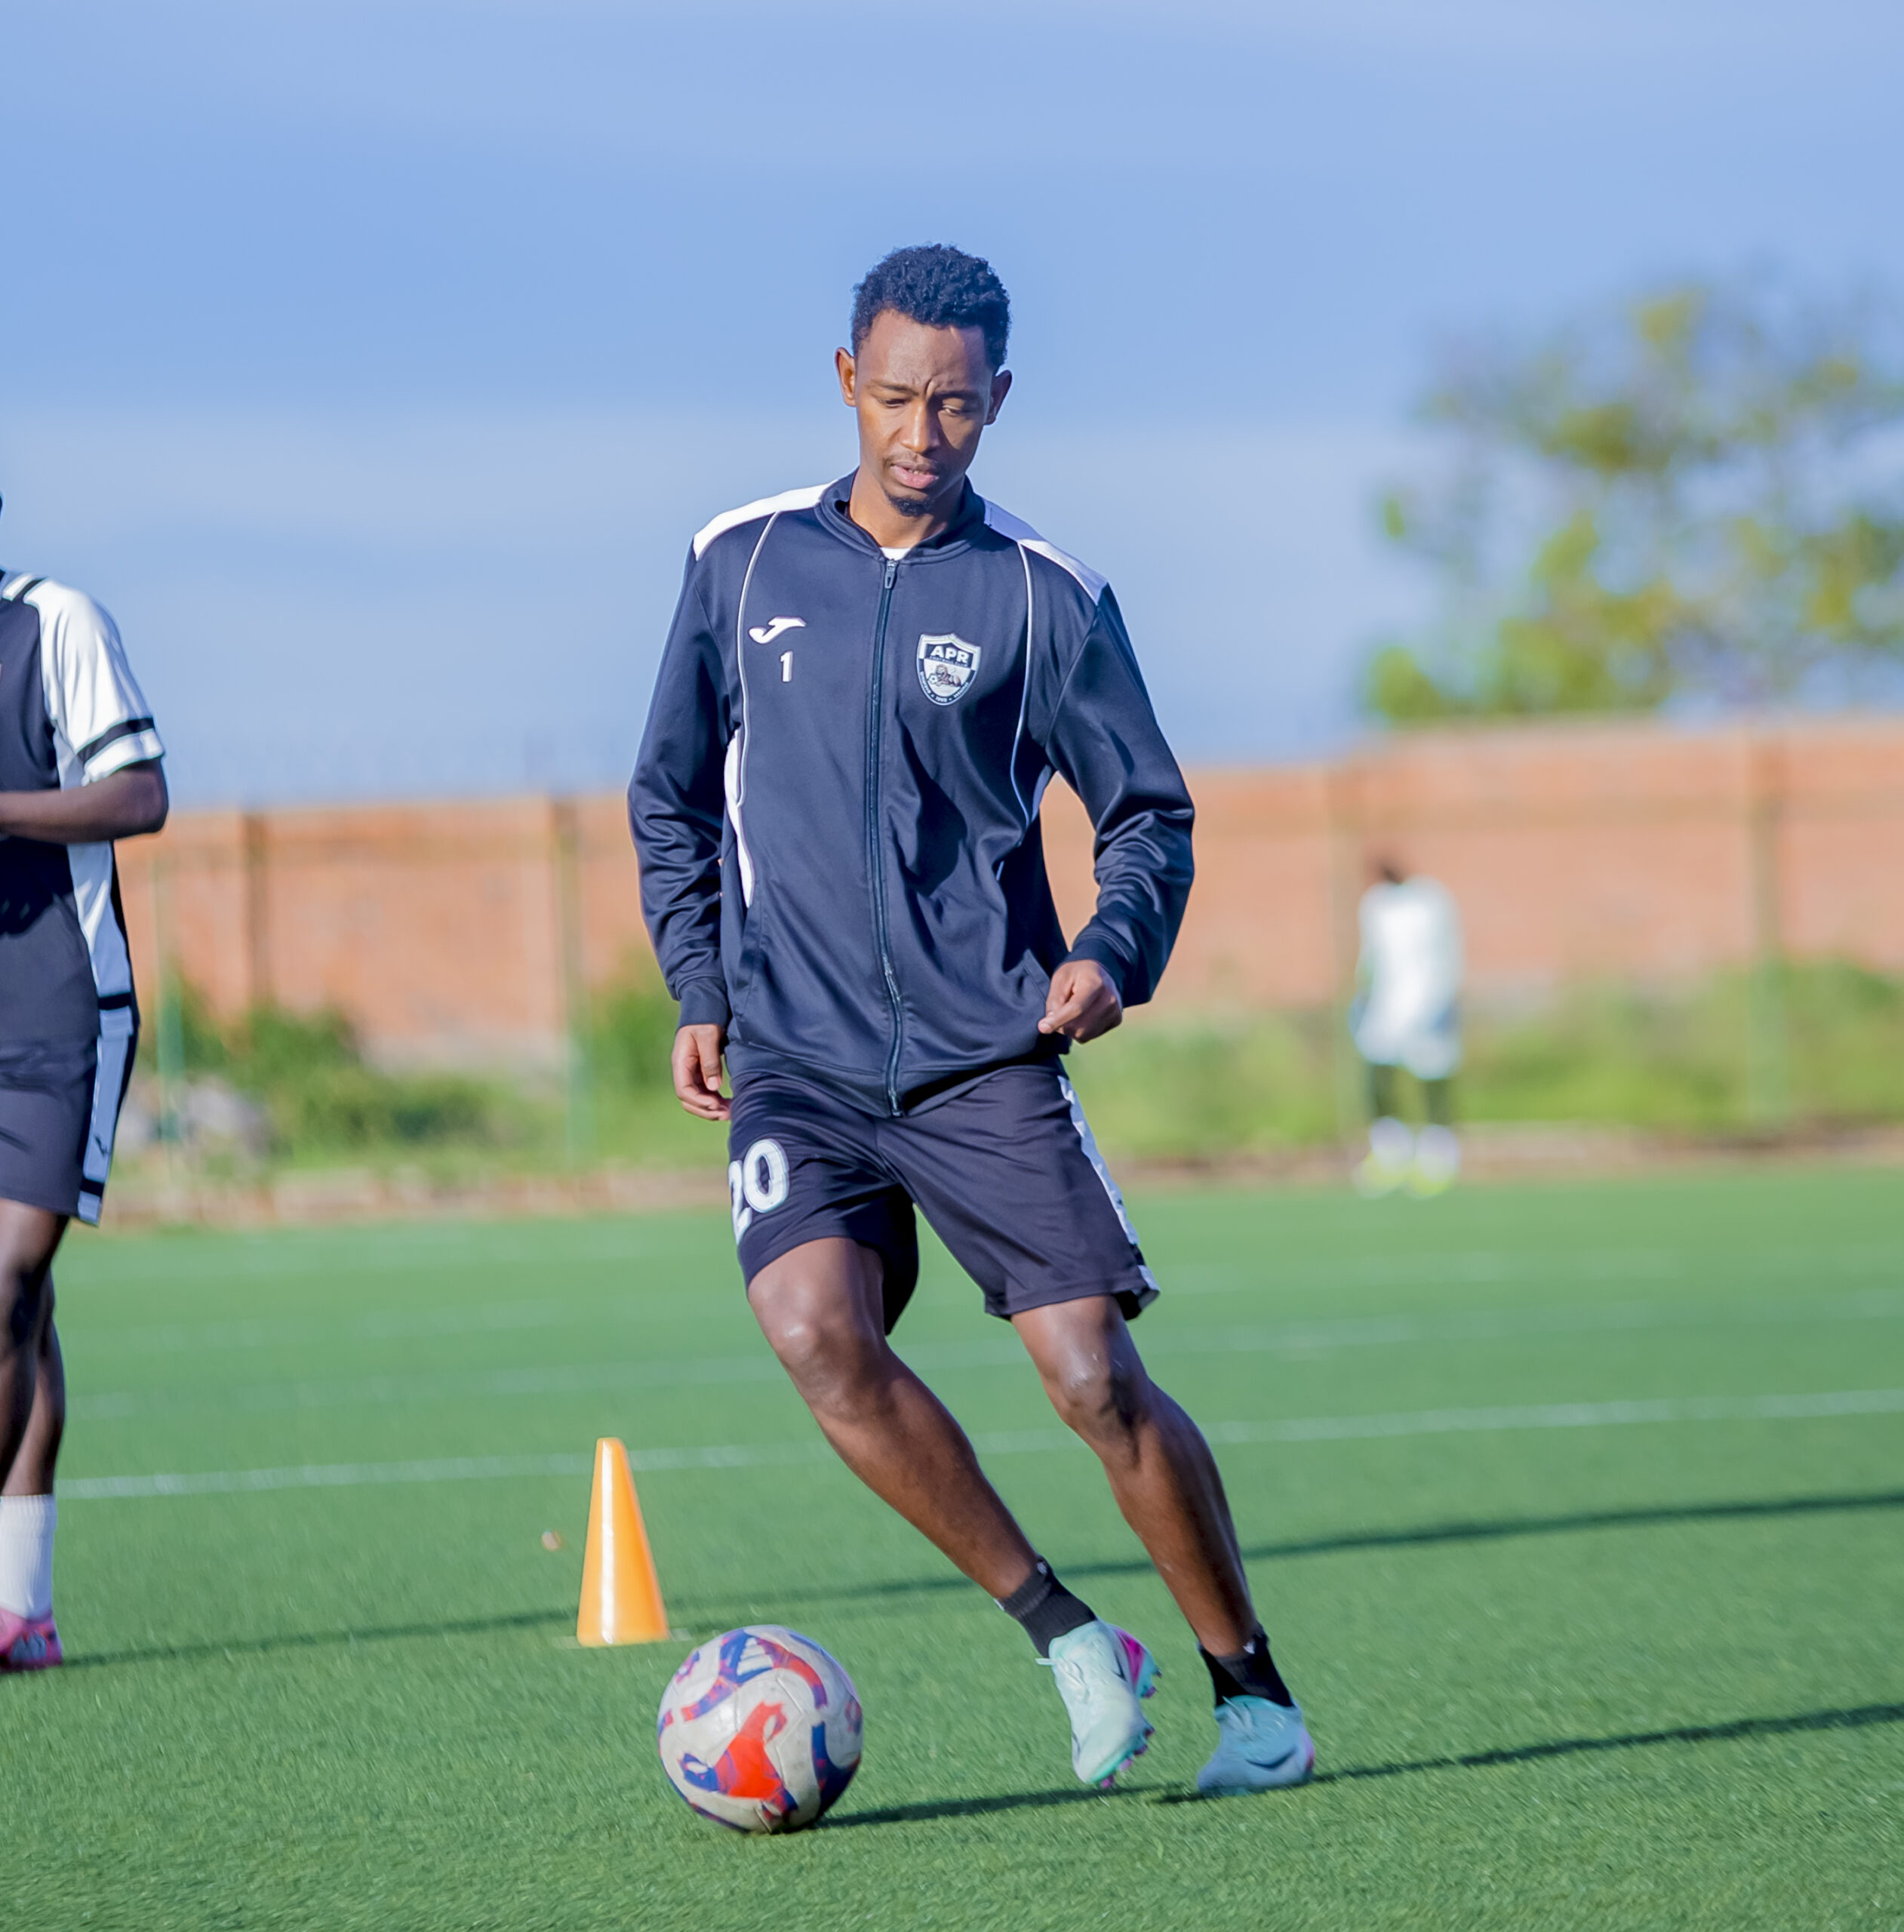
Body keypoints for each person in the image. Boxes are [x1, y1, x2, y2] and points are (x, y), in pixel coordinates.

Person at [629, 245, 1312, 1795]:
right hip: (794, 1054)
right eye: (892, 397)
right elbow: (666, 796)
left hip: (981, 1055)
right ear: (843, 381)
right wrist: (698, 983)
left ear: (996, 397)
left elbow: (1146, 813)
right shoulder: (738, 562)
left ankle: (1252, 1696)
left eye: (951, 403)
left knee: (1089, 1375)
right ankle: (1067, 1633)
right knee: (816, 1333)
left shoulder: (1042, 597)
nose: (918, 432)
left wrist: (1110, 950)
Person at [0, 553, 168, 1672]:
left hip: (53, 1018)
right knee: (21, 1308)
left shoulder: (53, 621)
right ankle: (22, 1608)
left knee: (4, 1283)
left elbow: (141, 794)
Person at [1349, 856, 1463, 1197]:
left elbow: (1450, 951)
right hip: (1386, 1006)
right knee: (1378, 1075)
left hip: (1429, 1002)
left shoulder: (1431, 900)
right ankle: (1390, 1154)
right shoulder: (1375, 904)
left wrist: (1447, 1000)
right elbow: (1371, 955)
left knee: (1433, 1078)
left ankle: (1438, 1157)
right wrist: (1363, 995)